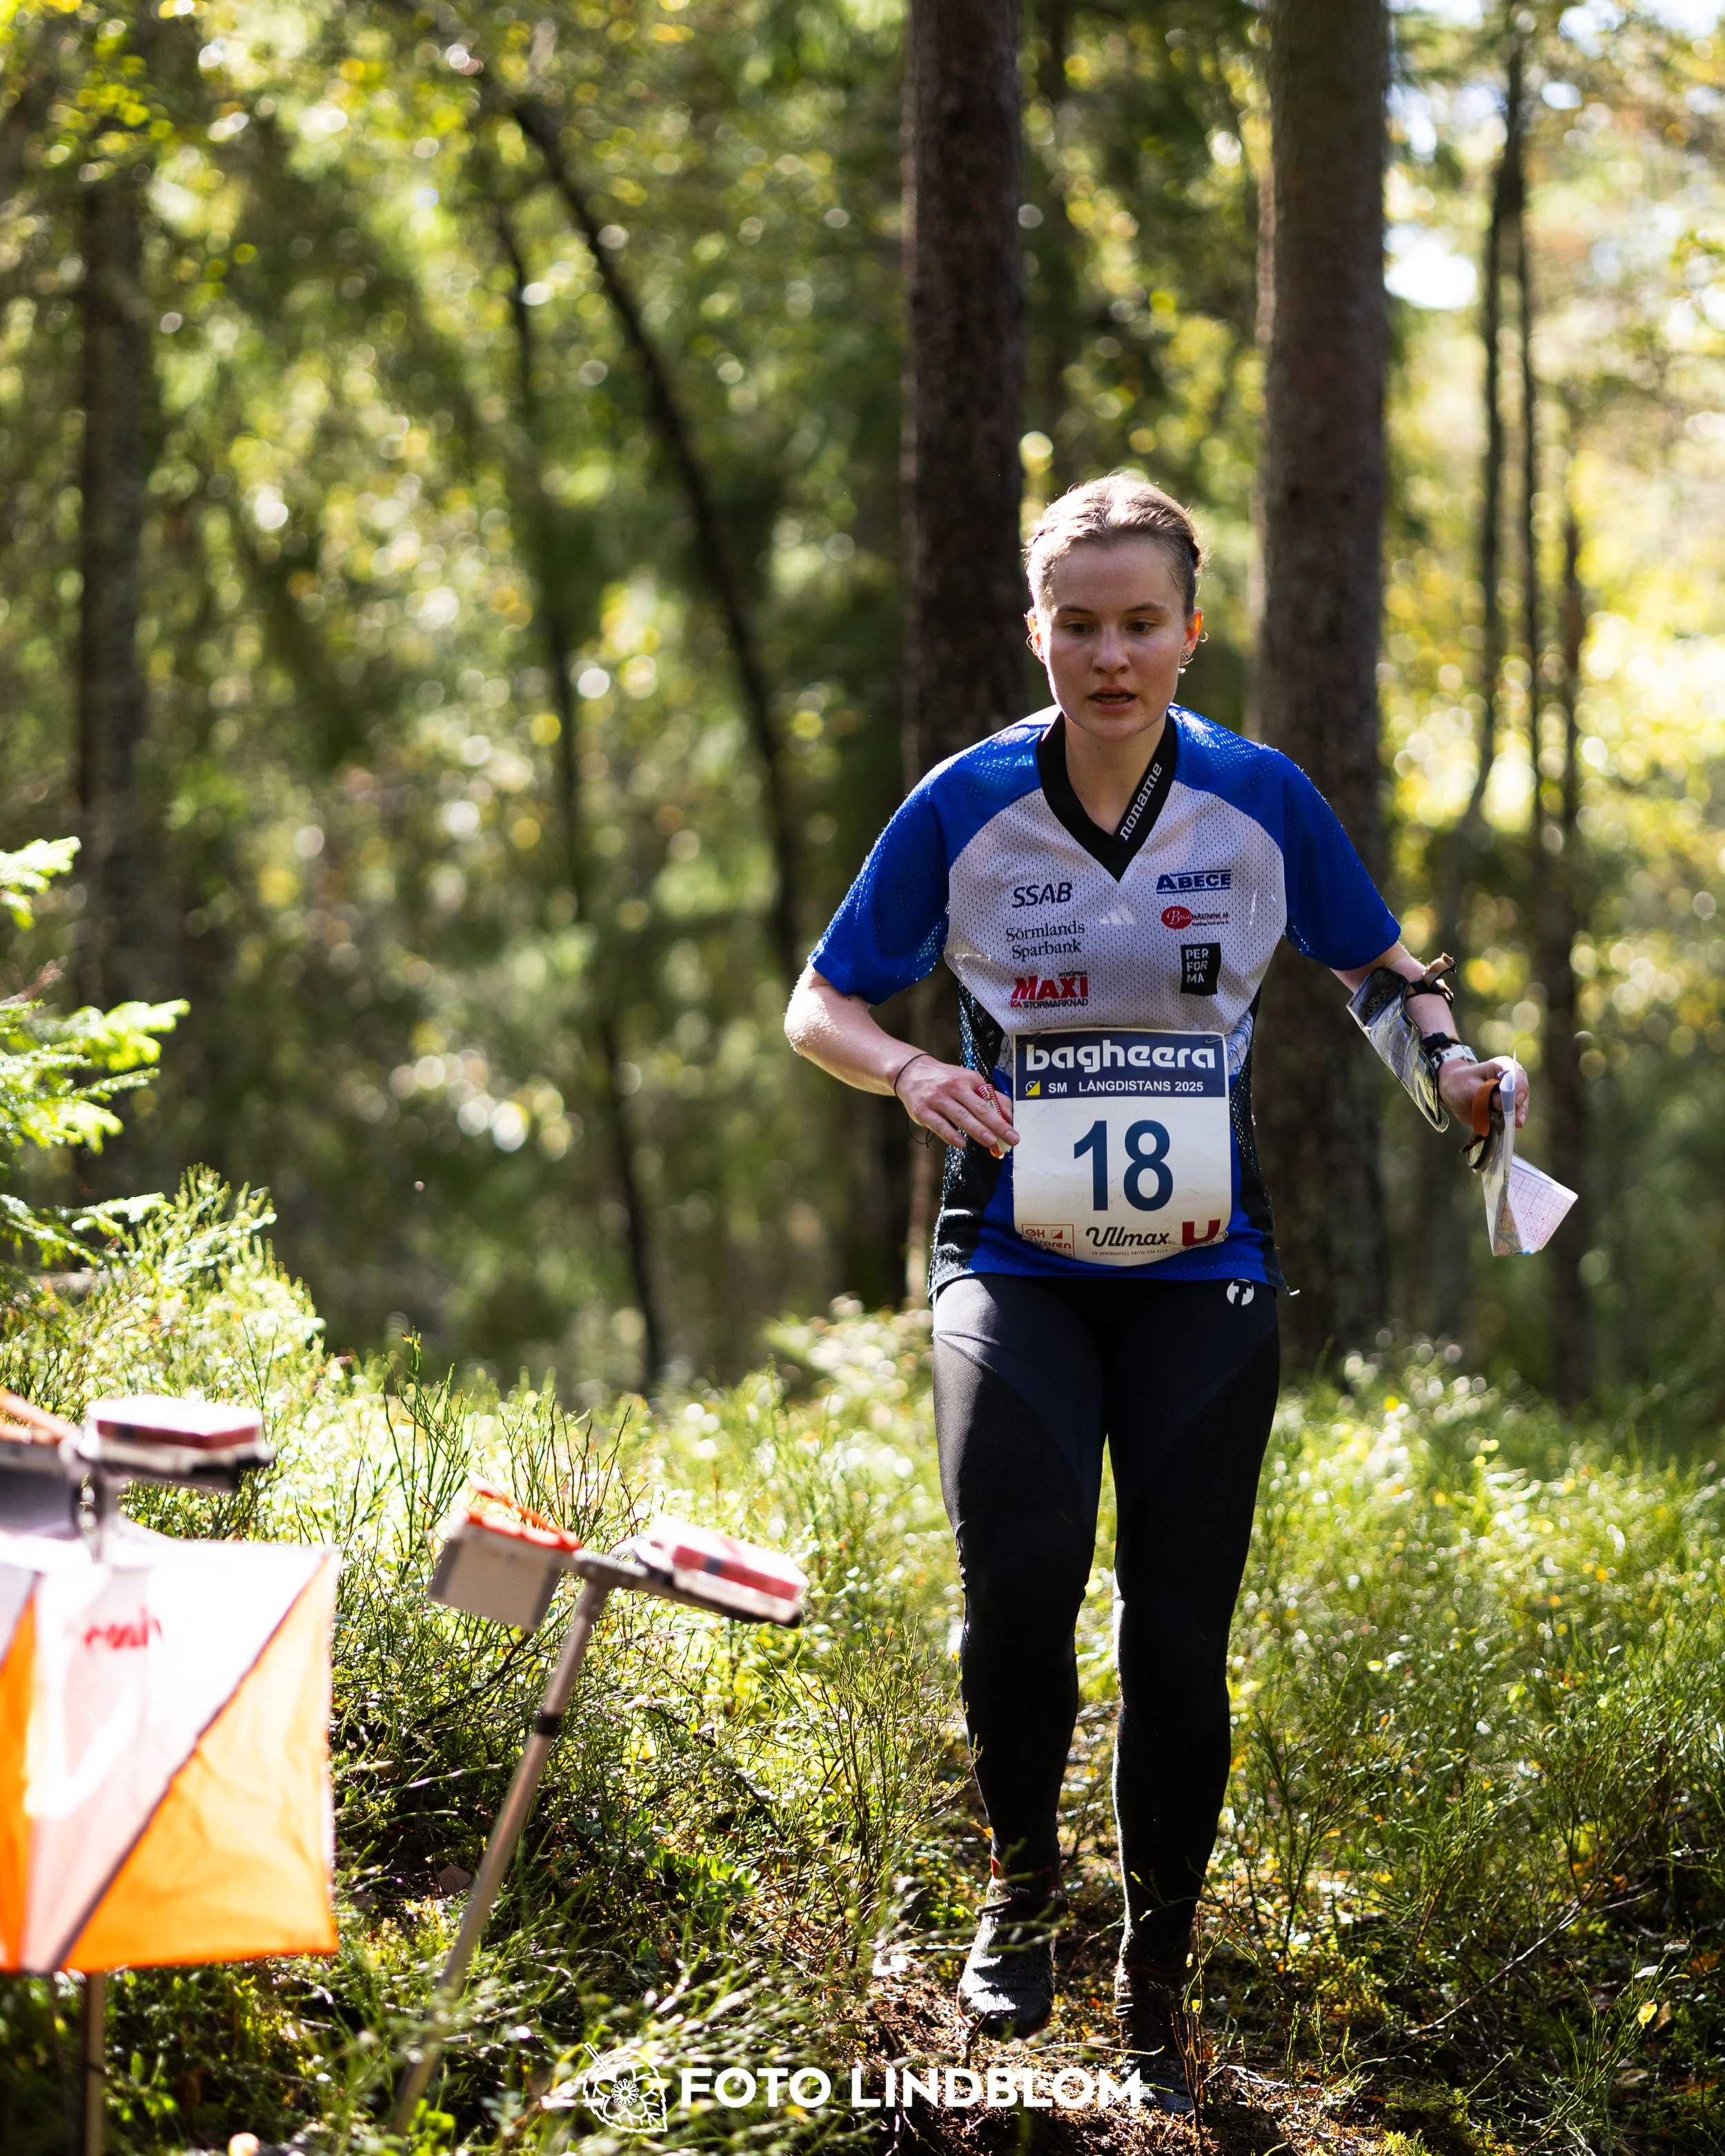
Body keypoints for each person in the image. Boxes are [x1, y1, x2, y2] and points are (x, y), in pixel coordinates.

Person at [782, 475, 1527, 2111]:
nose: (1107, 655)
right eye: (1077, 623)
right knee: (1019, 1587)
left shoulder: (1257, 797)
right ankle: (1021, 1886)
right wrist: (909, 1069)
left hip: (1206, 1269)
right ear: (1033, 631)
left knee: (1179, 1649)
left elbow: (1374, 975)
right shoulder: (965, 802)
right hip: (1011, 1253)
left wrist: (1457, 1076)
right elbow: (817, 1002)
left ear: (1189, 632)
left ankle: (1156, 1969)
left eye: (1138, 624)